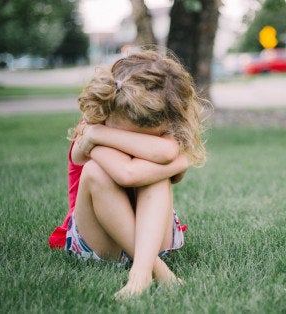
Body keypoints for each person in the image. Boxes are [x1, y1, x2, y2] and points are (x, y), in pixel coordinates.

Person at [48, 49, 209, 299]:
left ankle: (140, 274)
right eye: (130, 135)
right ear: (109, 112)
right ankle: (155, 269)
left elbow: (163, 154)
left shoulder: (98, 134)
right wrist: (178, 164)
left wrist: (99, 136)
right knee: (94, 171)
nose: (135, 143)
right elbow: (128, 174)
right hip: (98, 241)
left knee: (154, 180)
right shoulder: (91, 127)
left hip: (154, 238)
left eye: (144, 139)